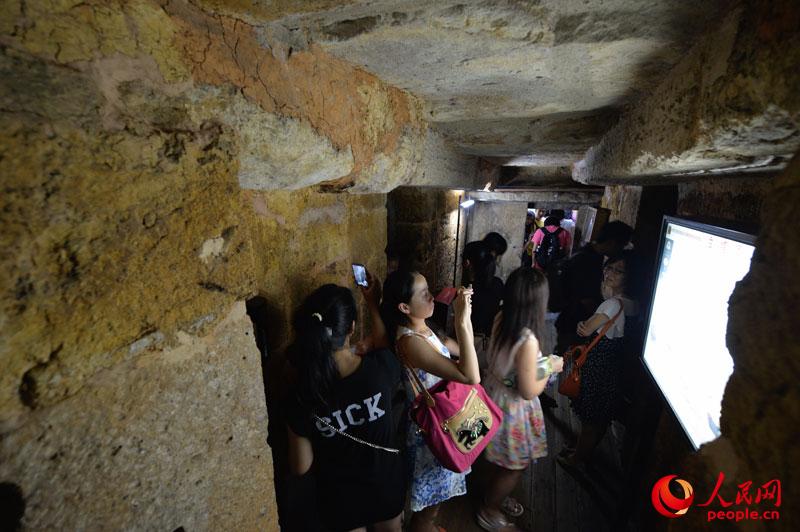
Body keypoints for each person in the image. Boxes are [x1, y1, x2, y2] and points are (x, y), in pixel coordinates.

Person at [285, 281, 405, 532]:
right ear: (351, 327)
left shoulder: (300, 395)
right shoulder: (381, 369)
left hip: (340, 499)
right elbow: (384, 346)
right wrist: (373, 304)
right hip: (384, 486)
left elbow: (301, 466)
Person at [380, 270, 480, 532]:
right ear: (404, 307)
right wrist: (462, 321)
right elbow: (471, 376)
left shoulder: (424, 329)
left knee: (438, 497)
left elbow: (464, 355)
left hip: (445, 421)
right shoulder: (410, 342)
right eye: (424, 293)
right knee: (430, 504)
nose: (432, 297)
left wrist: (466, 318)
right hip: (432, 432)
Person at [477, 268, 564, 531]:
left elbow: (510, 367)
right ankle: (489, 510)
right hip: (511, 407)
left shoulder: (502, 317)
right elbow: (528, 390)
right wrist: (550, 366)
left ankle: (494, 494)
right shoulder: (528, 340)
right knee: (515, 466)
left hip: (493, 392)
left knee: (497, 457)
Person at [557, 251, 639, 469]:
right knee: (601, 419)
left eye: (618, 271)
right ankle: (583, 452)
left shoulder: (611, 304)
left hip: (599, 368)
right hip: (615, 368)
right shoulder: (634, 304)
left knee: (590, 422)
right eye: (609, 267)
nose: (610, 273)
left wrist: (582, 323)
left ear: (629, 277)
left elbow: (585, 330)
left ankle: (575, 460)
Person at [553, 221, 633, 354]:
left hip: (570, 321)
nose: (621, 250)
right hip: (574, 325)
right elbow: (586, 300)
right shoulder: (588, 261)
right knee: (569, 361)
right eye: (622, 245)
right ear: (612, 242)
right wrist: (605, 313)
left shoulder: (586, 252)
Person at [462, 241, 504, 337]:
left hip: (471, 339)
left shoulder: (466, 290)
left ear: (467, 263)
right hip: (491, 338)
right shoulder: (498, 283)